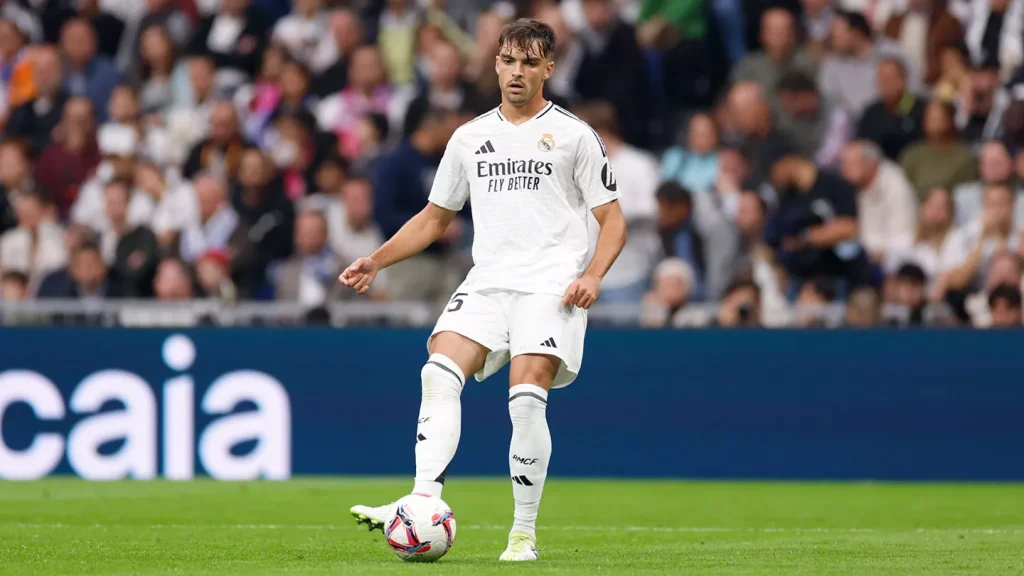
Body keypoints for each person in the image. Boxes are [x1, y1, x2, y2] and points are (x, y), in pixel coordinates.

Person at [340, 18, 627, 562]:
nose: (517, 72)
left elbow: (613, 220)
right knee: (437, 371)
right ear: (495, 64)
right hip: (489, 281)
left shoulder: (574, 135)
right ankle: (422, 501)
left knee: (525, 399)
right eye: (509, 60)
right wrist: (377, 260)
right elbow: (434, 218)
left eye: (529, 63)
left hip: (550, 285)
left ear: (548, 69)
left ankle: (523, 534)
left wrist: (592, 274)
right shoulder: (468, 137)